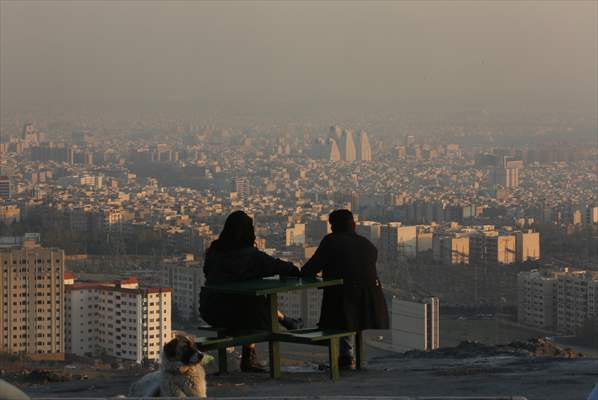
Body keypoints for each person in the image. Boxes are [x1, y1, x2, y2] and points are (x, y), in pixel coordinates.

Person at [199, 210, 302, 372]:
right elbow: (280, 267)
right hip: (241, 314)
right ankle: (251, 356)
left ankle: (285, 320)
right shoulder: (251, 256)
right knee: (252, 302)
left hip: (211, 310)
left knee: (249, 298)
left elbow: (207, 273)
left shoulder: (213, 252)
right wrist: (295, 270)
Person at [301, 209, 389, 369]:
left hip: (343, 298)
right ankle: (349, 358)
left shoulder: (331, 241)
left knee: (342, 311)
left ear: (333, 226)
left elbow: (311, 268)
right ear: (353, 225)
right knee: (348, 312)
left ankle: (346, 359)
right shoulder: (366, 244)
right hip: (370, 300)